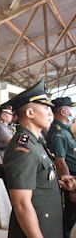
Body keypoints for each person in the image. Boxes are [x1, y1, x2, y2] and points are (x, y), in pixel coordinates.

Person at [3, 79, 63, 238]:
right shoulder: (22, 148)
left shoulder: (35, 141)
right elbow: (21, 204)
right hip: (36, 229)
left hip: (47, 222)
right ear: (30, 113)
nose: (51, 113)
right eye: (45, 108)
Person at [46, 97, 76, 238]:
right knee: (69, 218)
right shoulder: (58, 131)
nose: (71, 110)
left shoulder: (65, 129)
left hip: (72, 178)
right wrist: (71, 189)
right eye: (70, 108)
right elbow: (60, 161)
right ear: (63, 111)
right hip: (70, 181)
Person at [0, 103, 13, 180]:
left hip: (5, 154)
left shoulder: (4, 126)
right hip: (1, 156)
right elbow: (9, 141)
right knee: (3, 178)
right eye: (10, 114)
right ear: (3, 116)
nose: (12, 116)